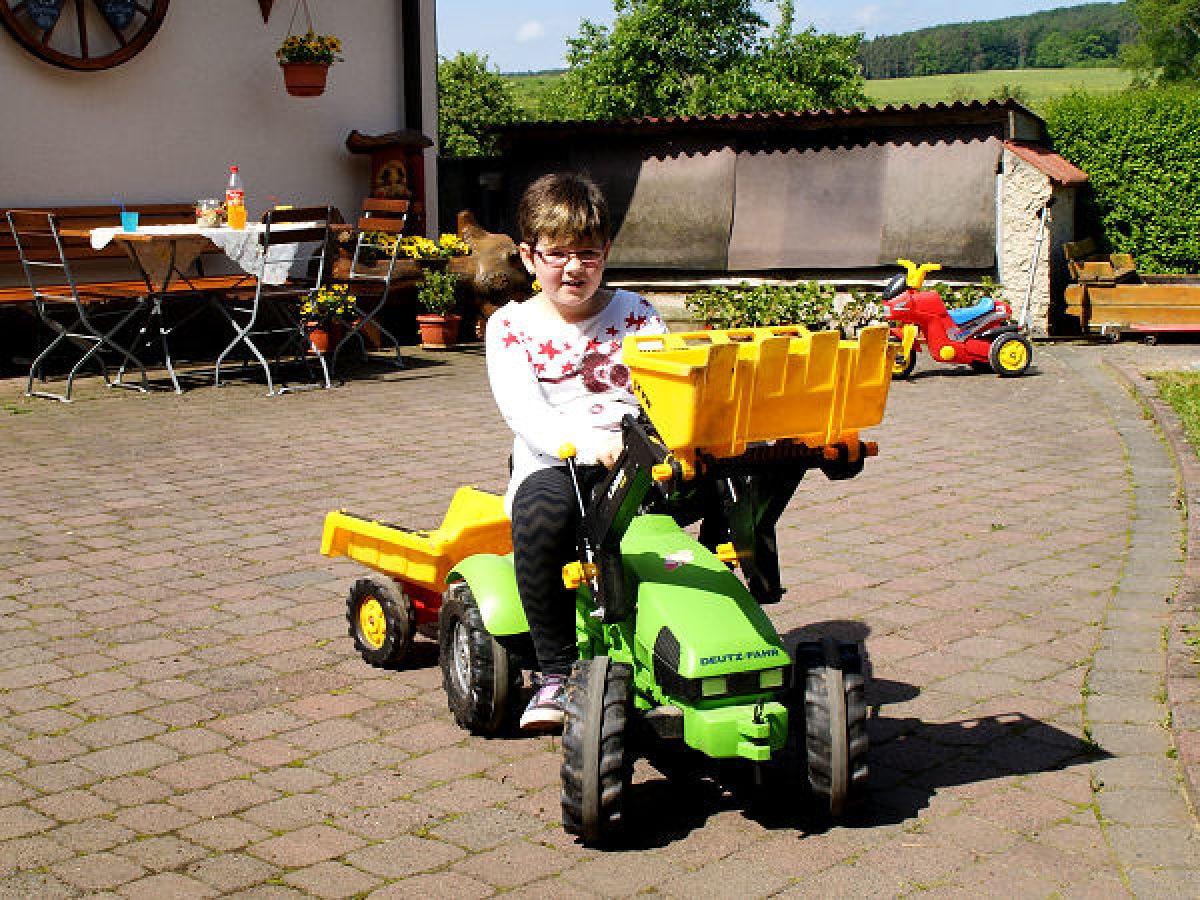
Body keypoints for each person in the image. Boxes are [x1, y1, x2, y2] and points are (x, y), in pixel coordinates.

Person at [485, 172, 668, 731]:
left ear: (605, 251)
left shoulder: (635, 313)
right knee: (540, 515)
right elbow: (526, 414)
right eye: (557, 253)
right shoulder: (510, 326)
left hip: (639, 457)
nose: (573, 268)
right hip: (558, 464)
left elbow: (664, 384)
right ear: (528, 254)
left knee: (725, 492)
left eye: (587, 254)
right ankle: (557, 673)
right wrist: (595, 447)